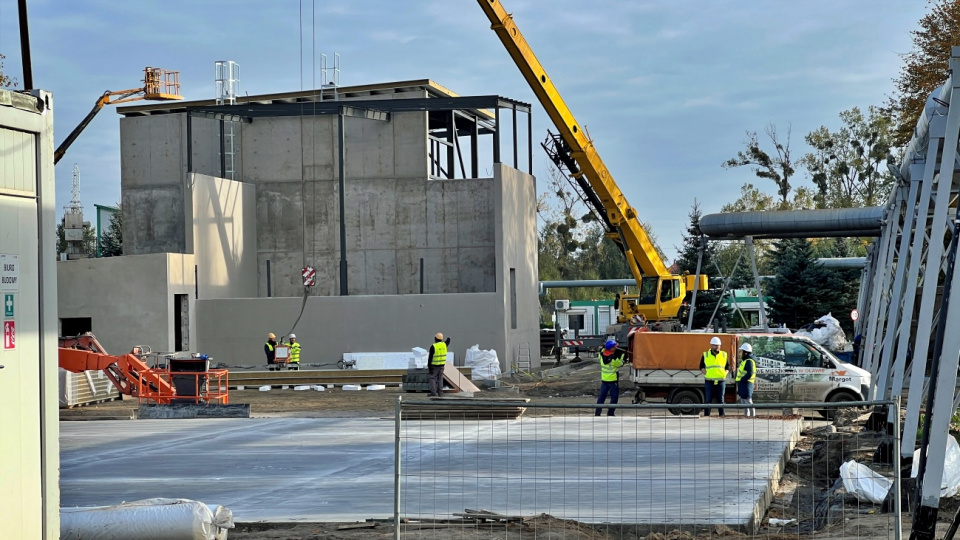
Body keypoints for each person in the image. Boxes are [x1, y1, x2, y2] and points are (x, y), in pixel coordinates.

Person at [700, 336, 730, 417]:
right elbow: (701, 366)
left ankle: (722, 415)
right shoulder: (705, 354)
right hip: (709, 380)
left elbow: (727, 367)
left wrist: (725, 373)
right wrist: (705, 372)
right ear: (711, 345)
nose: (716, 347)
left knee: (721, 399)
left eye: (718, 345)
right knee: (708, 400)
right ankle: (707, 415)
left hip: (721, 380)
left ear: (720, 346)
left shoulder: (724, 354)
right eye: (715, 345)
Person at [596, 339, 626, 417]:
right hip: (613, 380)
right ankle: (610, 413)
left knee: (601, 397)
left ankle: (597, 413)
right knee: (614, 398)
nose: (616, 348)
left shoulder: (601, 355)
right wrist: (623, 355)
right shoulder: (614, 359)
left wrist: (604, 347)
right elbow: (620, 364)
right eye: (615, 347)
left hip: (604, 380)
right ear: (611, 348)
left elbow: (602, 351)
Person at [736, 342, 756, 417]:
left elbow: (750, 373)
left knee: (748, 401)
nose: (740, 353)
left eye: (741, 351)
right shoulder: (746, 360)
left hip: (746, 383)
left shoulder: (749, 361)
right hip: (744, 383)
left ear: (745, 352)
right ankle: (747, 416)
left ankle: (752, 416)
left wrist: (743, 380)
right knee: (744, 400)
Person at [428, 332, 451, 397]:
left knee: (432, 378)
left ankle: (433, 392)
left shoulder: (433, 346)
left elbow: (430, 358)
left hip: (434, 365)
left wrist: (429, 367)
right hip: (441, 365)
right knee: (440, 378)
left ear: (435, 338)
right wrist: (448, 338)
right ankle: (440, 393)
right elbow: (448, 341)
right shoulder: (444, 345)